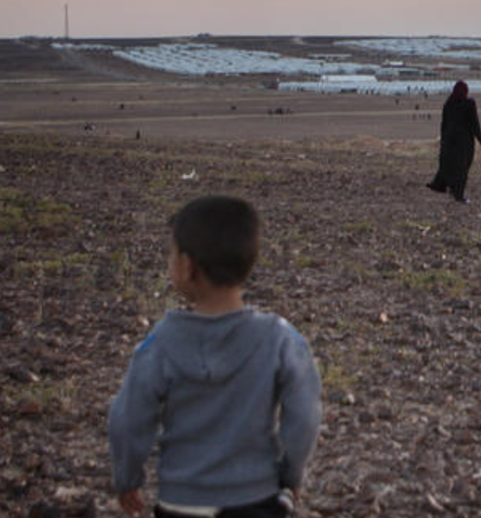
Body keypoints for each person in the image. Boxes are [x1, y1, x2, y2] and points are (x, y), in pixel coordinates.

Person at [108, 196, 321, 518]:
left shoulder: (162, 342)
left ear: (186, 266)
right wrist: (291, 475)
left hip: (181, 501)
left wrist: (127, 478)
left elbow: (127, 418)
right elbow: (304, 415)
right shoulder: (278, 337)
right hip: (255, 497)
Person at [426, 81, 481, 203]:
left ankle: (440, 185)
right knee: (462, 169)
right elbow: (474, 122)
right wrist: (480, 139)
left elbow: (444, 123)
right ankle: (458, 195)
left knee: (447, 165)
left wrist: (443, 139)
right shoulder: (469, 104)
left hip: (449, 140)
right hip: (463, 143)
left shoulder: (448, 103)